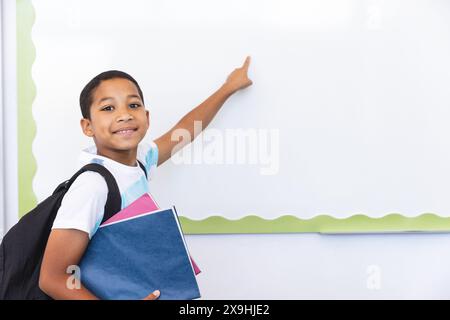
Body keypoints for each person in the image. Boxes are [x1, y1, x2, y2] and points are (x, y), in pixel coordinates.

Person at [38, 56, 253, 300]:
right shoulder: (92, 186)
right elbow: (53, 278)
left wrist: (228, 87)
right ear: (88, 126)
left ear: (147, 117)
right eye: (108, 108)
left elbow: (184, 131)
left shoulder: (139, 160)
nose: (124, 115)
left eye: (133, 105)